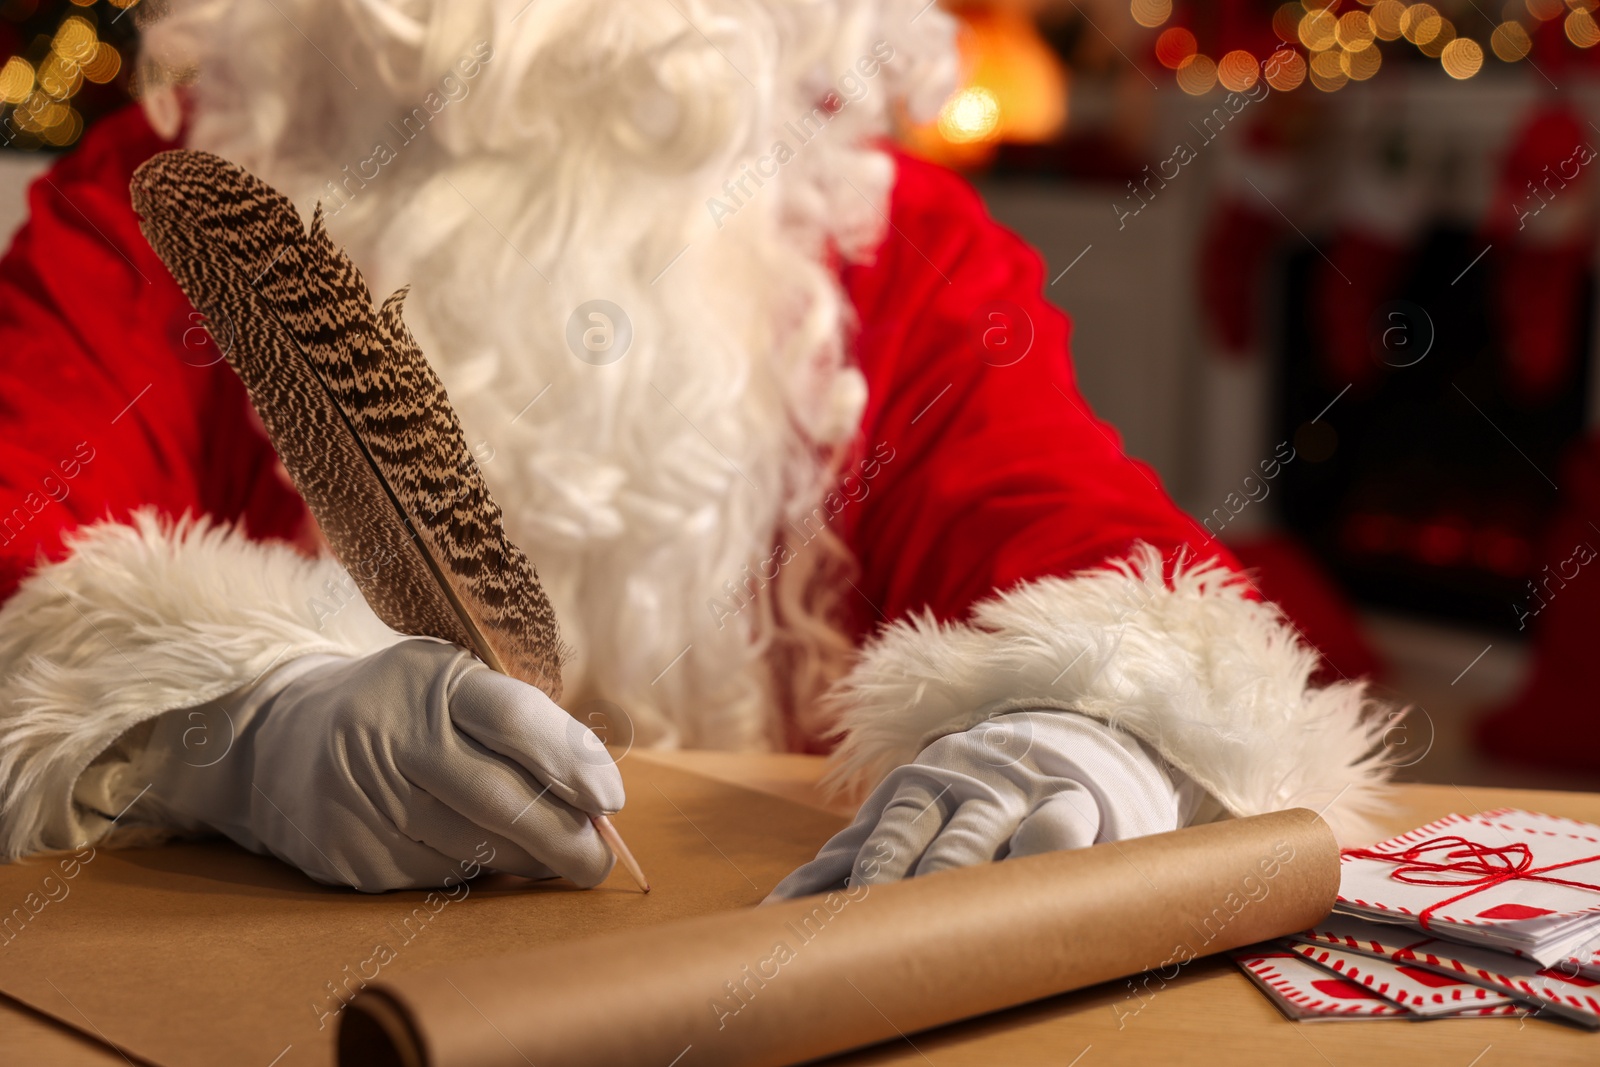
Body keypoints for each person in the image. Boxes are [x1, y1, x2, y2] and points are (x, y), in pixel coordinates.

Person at [0, 0, 1389, 896]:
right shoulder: (153, 198)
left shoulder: (898, 247)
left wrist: (1099, 735)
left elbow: (1101, 553)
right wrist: (235, 728)